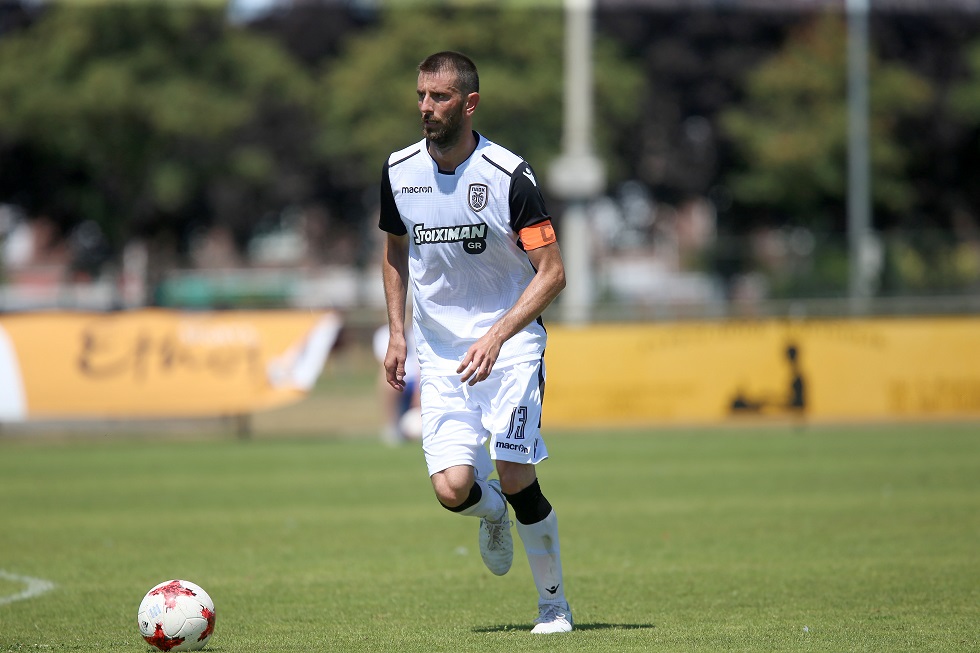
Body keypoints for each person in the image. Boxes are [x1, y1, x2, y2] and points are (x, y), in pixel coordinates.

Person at [379, 51, 572, 634]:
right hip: (441, 354)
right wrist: (397, 332)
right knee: (451, 489)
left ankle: (554, 607)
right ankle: (492, 514)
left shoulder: (509, 177)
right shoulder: (398, 171)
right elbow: (394, 252)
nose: (426, 106)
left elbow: (552, 273)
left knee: (515, 470)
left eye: (439, 97)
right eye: (421, 95)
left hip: (509, 349)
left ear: (469, 104)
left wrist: (496, 335)